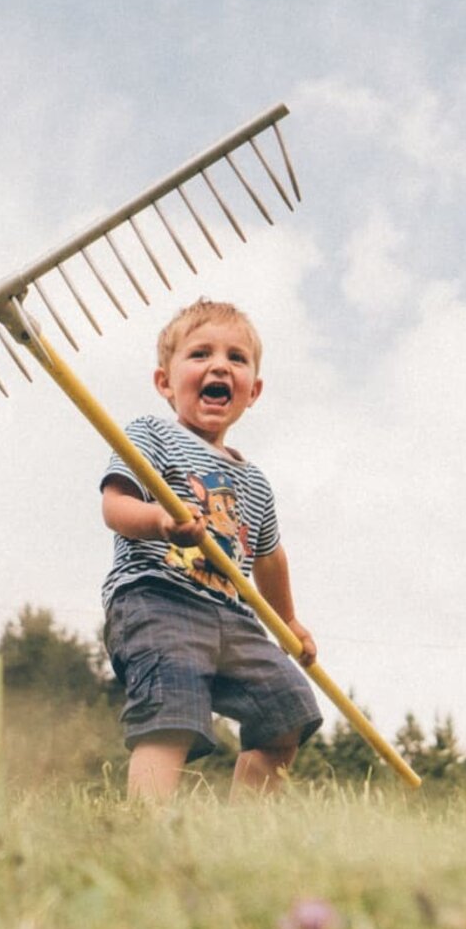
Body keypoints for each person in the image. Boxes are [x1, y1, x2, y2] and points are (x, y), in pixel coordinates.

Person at [100, 298, 322, 800]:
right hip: (156, 599)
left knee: (288, 710)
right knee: (173, 709)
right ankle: (146, 830)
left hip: (233, 616)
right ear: (165, 382)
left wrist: (286, 620)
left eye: (236, 359)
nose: (219, 365)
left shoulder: (254, 482)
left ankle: (243, 831)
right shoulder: (150, 435)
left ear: (253, 391)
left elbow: (268, 556)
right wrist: (160, 520)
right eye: (200, 354)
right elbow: (115, 504)